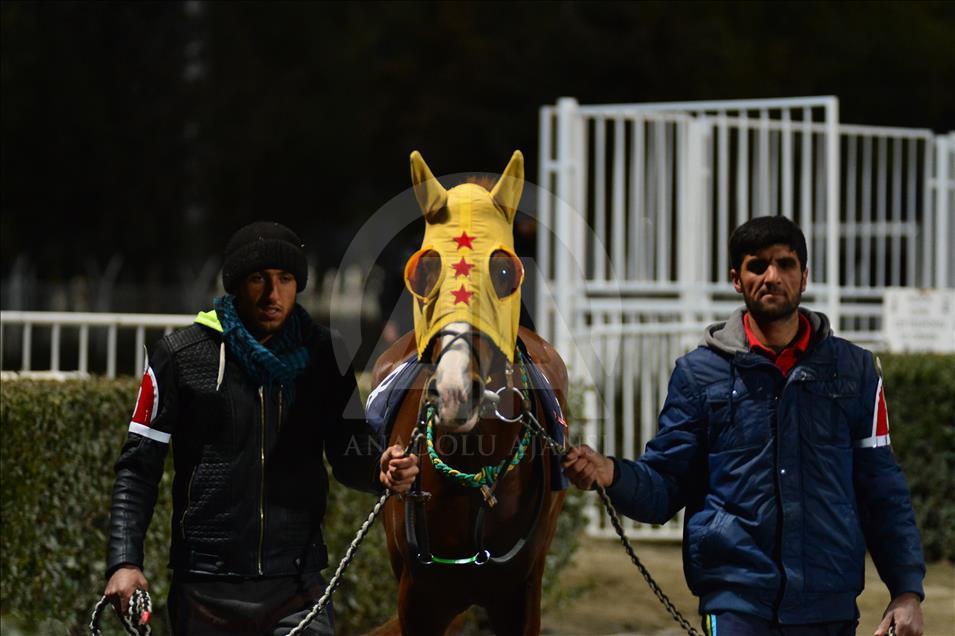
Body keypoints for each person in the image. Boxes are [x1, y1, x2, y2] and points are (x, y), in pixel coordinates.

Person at [563, 216, 925, 636]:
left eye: (785, 264)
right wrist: (613, 474)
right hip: (736, 603)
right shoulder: (699, 375)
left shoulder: (855, 371)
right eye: (757, 266)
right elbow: (664, 485)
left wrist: (906, 591)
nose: (772, 277)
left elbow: (882, 488)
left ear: (804, 276)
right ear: (736, 279)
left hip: (828, 602)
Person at [103, 221, 419, 635]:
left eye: (285, 279)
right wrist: (125, 562)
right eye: (259, 279)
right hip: (205, 589)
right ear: (237, 285)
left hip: (297, 586)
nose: (273, 294)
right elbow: (138, 467)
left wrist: (381, 468)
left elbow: (348, 453)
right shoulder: (178, 356)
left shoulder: (327, 355)